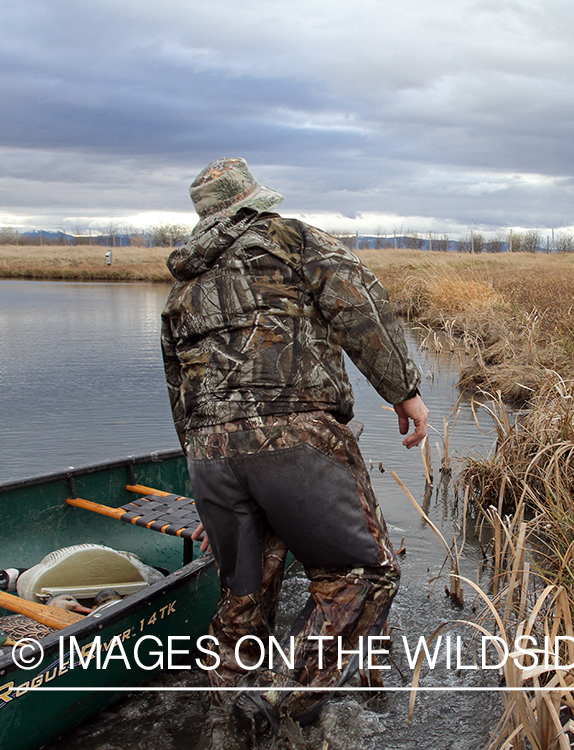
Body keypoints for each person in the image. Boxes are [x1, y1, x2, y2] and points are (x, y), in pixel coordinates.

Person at [160, 157, 429, 747]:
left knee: (245, 594)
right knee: (364, 573)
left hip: (209, 452)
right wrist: (404, 390)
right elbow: (361, 308)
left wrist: (206, 484)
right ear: (255, 200)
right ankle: (282, 702)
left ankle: (223, 713)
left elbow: (178, 386)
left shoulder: (183, 288)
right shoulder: (290, 237)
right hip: (294, 440)